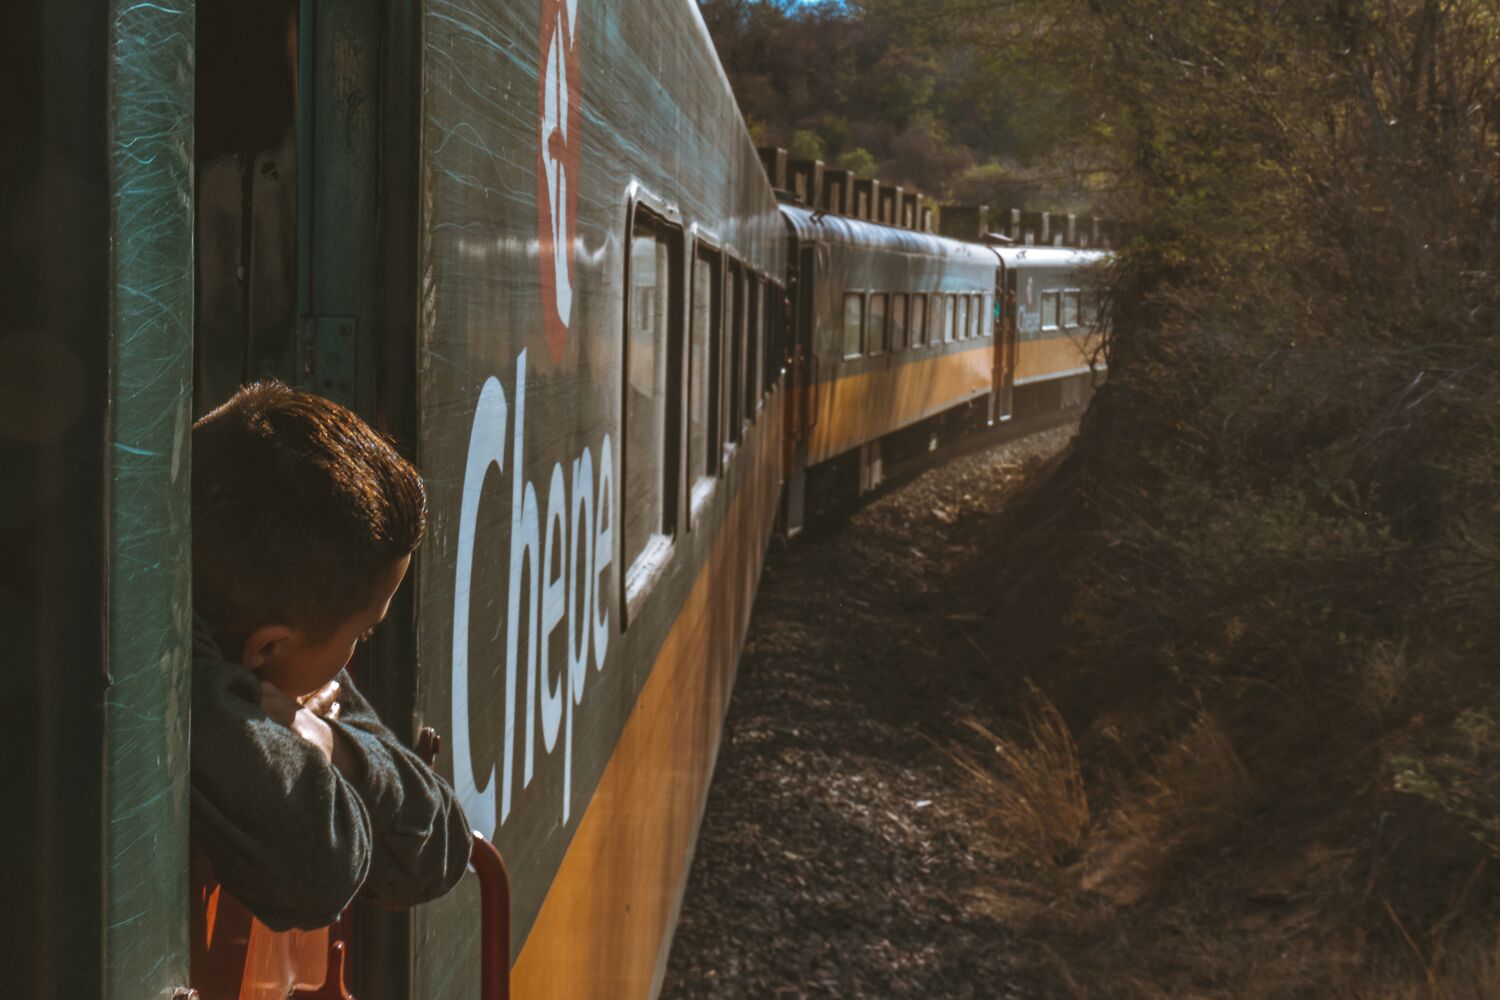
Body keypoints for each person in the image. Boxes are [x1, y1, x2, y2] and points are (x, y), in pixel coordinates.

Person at [190, 381, 470, 931]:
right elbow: (326, 867)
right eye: (362, 635)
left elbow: (438, 848)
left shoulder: (285, 670)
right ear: (268, 645)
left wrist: (331, 743)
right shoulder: (185, 687)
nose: (353, 655)